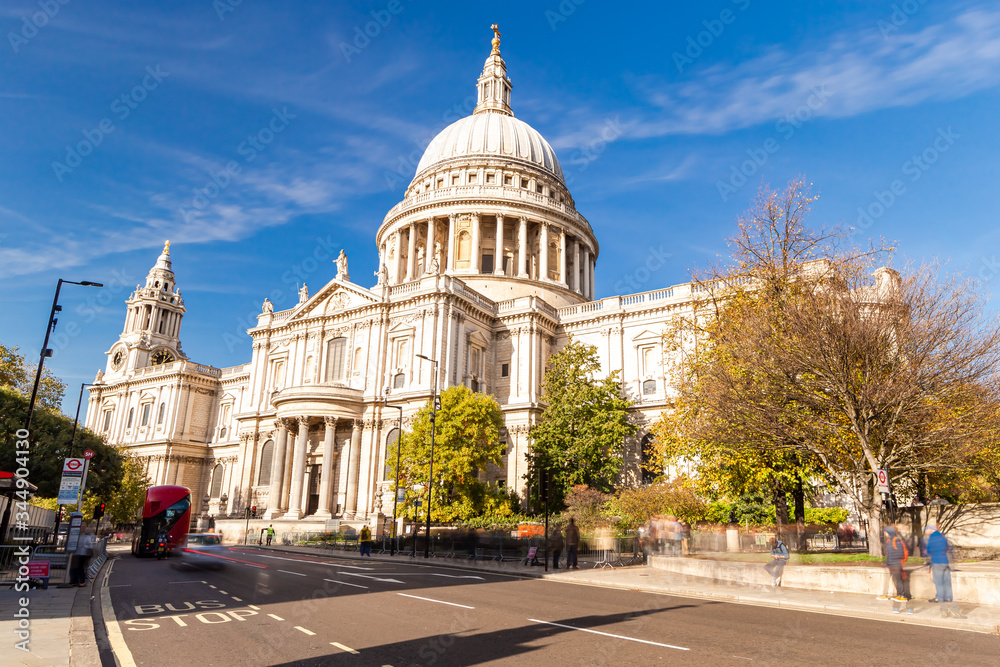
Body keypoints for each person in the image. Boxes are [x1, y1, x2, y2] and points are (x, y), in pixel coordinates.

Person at [922, 522, 962, 618]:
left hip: (937, 563)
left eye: (926, 529)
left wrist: (925, 552)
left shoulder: (932, 538)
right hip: (945, 562)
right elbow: (947, 548)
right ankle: (953, 608)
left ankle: (944, 610)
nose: (925, 531)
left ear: (931, 529)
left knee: (939, 586)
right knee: (948, 585)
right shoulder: (942, 537)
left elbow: (930, 551)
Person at [883, 524, 912, 614]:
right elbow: (888, 554)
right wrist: (886, 563)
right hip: (893, 565)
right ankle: (898, 607)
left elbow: (899, 553)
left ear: (888, 532)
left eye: (885, 532)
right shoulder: (889, 541)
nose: (884, 533)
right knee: (899, 587)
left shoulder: (896, 540)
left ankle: (908, 608)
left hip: (897, 566)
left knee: (902, 588)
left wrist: (892, 562)